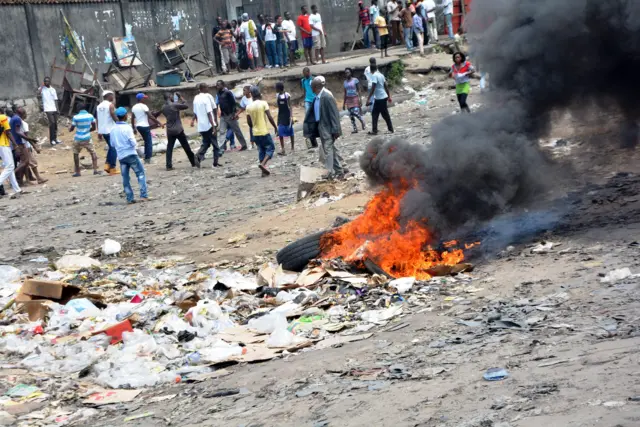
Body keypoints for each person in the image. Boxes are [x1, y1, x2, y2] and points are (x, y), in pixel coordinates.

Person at [304, 76, 344, 179]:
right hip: (321, 127)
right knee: (331, 150)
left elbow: (334, 114)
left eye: (312, 87)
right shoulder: (317, 98)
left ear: (316, 86)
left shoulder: (327, 96)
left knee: (327, 150)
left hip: (327, 128)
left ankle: (328, 173)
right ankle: (340, 171)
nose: (311, 89)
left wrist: (335, 130)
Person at [110, 107, 148, 204]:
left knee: (125, 178)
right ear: (125, 116)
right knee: (140, 174)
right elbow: (133, 142)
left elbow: (112, 144)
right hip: (130, 154)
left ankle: (129, 198)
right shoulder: (127, 127)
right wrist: (139, 151)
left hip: (121, 156)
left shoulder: (113, 129)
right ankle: (143, 195)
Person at [157, 93, 199, 170]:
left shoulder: (163, 107)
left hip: (169, 130)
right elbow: (186, 105)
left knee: (169, 148)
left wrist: (179, 103)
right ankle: (193, 162)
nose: (173, 97)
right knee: (186, 146)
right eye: (172, 96)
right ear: (169, 97)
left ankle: (168, 166)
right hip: (178, 129)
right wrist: (180, 96)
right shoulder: (174, 105)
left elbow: (179, 106)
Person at [246, 86, 277, 176]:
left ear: (251, 94)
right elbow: (269, 116)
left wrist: (254, 126)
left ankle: (263, 172)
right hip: (264, 131)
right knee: (270, 148)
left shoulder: (248, 107)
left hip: (255, 133)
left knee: (261, 150)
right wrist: (275, 127)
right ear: (259, 93)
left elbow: (249, 122)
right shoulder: (263, 103)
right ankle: (263, 164)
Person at [11, 108, 46, 185]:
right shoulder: (22, 122)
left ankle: (24, 180)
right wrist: (34, 145)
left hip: (20, 144)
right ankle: (12, 175)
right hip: (24, 144)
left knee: (26, 163)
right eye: (25, 114)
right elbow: (25, 135)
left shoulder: (13, 119)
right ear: (23, 114)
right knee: (28, 162)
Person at [191, 83, 220, 168]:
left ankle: (198, 156)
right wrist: (214, 126)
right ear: (203, 88)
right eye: (207, 87)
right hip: (208, 125)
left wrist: (193, 120)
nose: (208, 89)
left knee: (206, 143)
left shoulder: (196, 98)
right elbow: (209, 113)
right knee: (215, 145)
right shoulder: (206, 97)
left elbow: (195, 112)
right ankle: (215, 163)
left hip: (201, 125)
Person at [69, 104, 101, 176]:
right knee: (93, 152)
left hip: (78, 138)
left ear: (78, 109)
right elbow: (93, 128)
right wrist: (87, 131)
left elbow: (72, 128)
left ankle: (78, 172)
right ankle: (95, 170)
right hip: (87, 137)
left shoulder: (75, 117)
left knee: (76, 153)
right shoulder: (90, 116)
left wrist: (70, 129)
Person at [216, 80, 248, 151]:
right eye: (217, 85)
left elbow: (233, 103)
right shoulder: (218, 93)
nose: (217, 86)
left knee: (236, 130)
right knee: (222, 131)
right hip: (223, 115)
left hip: (230, 115)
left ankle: (244, 145)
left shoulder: (228, 93)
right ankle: (221, 147)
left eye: (218, 85)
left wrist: (234, 114)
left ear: (223, 85)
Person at [132, 93, 162, 164]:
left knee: (146, 141)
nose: (145, 99)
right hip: (144, 126)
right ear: (141, 99)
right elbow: (150, 116)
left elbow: (132, 118)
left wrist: (134, 128)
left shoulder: (134, 107)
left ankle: (146, 157)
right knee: (149, 142)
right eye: (144, 98)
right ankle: (148, 159)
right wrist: (159, 122)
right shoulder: (144, 106)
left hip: (138, 126)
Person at [367, 58, 394, 134]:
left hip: (380, 98)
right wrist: (388, 96)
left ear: (371, 70)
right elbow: (386, 86)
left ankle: (390, 129)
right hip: (382, 97)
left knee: (384, 114)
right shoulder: (381, 75)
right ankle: (375, 130)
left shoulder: (374, 76)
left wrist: (368, 98)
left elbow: (373, 87)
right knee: (375, 113)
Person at [96, 91, 119, 174]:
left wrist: (98, 131)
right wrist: (119, 123)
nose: (113, 97)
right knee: (114, 148)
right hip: (110, 129)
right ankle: (112, 168)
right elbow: (113, 115)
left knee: (110, 147)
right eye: (112, 96)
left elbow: (98, 119)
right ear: (108, 96)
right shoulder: (110, 105)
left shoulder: (99, 106)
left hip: (103, 130)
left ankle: (107, 165)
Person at [0, 109, 20, 196]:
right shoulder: (3, 118)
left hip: (1, 145)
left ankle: (17, 189)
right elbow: (8, 132)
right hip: (3, 144)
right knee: (10, 166)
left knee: (10, 166)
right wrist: (16, 145)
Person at [38, 77, 62, 146]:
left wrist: (57, 109)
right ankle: (52, 140)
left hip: (54, 108)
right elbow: (37, 93)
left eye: (47, 81)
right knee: (52, 123)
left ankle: (55, 139)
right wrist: (42, 86)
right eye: (45, 81)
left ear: (50, 82)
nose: (46, 82)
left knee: (55, 124)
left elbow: (55, 100)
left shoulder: (53, 89)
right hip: (48, 109)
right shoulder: (42, 89)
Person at [342, 68, 366, 133]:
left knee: (355, 112)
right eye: (346, 73)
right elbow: (345, 93)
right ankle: (355, 129)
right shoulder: (345, 82)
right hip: (348, 99)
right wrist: (344, 103)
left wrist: (360, 99)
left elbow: (359, 90)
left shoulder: (355, 80)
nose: (347, 74)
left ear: (351, 73)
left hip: (355, 98)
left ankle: (362, 121)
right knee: (351, 115)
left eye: (348, 72)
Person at [275, 82, 294, 155]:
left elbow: (290, 106)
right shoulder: (277, 95)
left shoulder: (287, 95)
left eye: (276, 88)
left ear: (279, 88)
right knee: (280, 132)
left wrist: (291, 116)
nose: (275, 89)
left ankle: (292, 148)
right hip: (280, 115)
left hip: (287, 115)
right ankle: (283, 149)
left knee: (291, 132)